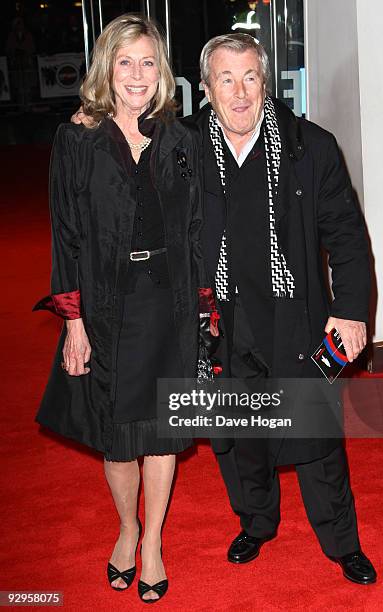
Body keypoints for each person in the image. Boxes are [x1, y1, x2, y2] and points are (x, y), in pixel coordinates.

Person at [181, 33, 377, 585]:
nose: (239, 93)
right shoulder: (186, 147)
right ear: (206, 89)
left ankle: (342, 542)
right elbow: (127, 147)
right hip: (223, 322)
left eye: (250, 78)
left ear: (267, 82)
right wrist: (89, 118)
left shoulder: (308, 146)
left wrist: (352, 311)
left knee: (316, 438)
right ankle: (256, 523)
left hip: (297, 316)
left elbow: (346, 236)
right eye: (226, 79)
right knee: (239, 438)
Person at [34, 14, 215, 603]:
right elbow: (66, 236)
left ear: (160, 71)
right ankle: (127, 527)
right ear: (105, 68)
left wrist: (206, 308)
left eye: (147, 63)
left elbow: (197, 230)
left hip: (170, 307)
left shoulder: (181, 138)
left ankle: (155, 541)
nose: (137, 75)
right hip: (109, 309)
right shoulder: (79, 139)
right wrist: (73, 321)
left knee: (163, 434)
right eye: (124, 62)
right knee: (118, 437)